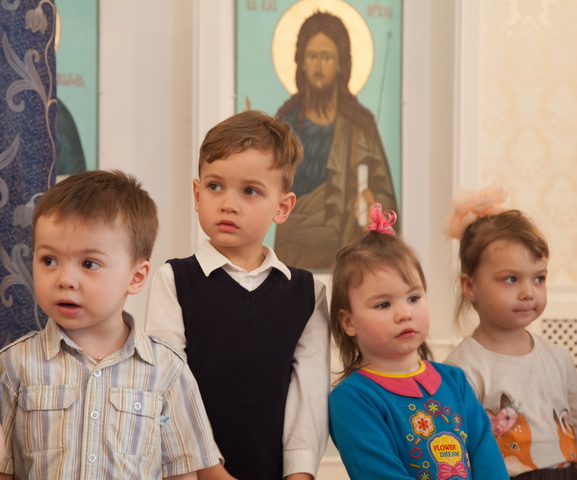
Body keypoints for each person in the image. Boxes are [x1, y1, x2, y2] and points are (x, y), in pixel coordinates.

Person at [0, 170, 233, 479]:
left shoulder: (167, 371)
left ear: (135, 277)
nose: (65, 280)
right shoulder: (14, 365)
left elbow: (183, 472)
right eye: (49, 260)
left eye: (89, 264)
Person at [145, 110, 330, 480]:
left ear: (282, 207)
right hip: (190, 472)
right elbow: (168, 390)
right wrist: (210, 470)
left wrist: (299, 475)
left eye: (250, 191)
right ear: (197, 194)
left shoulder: (307, 293)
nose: (228, 203)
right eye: (215, 186)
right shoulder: (174, 281)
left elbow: (307, 400)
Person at [328, 203, 508, 480]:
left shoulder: (455, 381)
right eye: (383, 304)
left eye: (413, 298)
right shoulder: (352, 399)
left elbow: (488, 460)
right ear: (348, 321)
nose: (405, 314)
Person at [444, 183, 577, 479]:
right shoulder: (463, 369)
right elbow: (458, 449)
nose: (529, 292)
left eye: (539, 278)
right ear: (470, 286)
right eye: (511, 279)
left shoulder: (559, 359)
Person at [274, 10, 398, 270]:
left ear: (341, 64)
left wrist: (372, 205)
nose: (319, 66)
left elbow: (385, 195)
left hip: (347, 254)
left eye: (327, 57)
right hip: (292, 248)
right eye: (312, 56)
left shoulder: (360, 124)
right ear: (301, 62)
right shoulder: (284, 122)